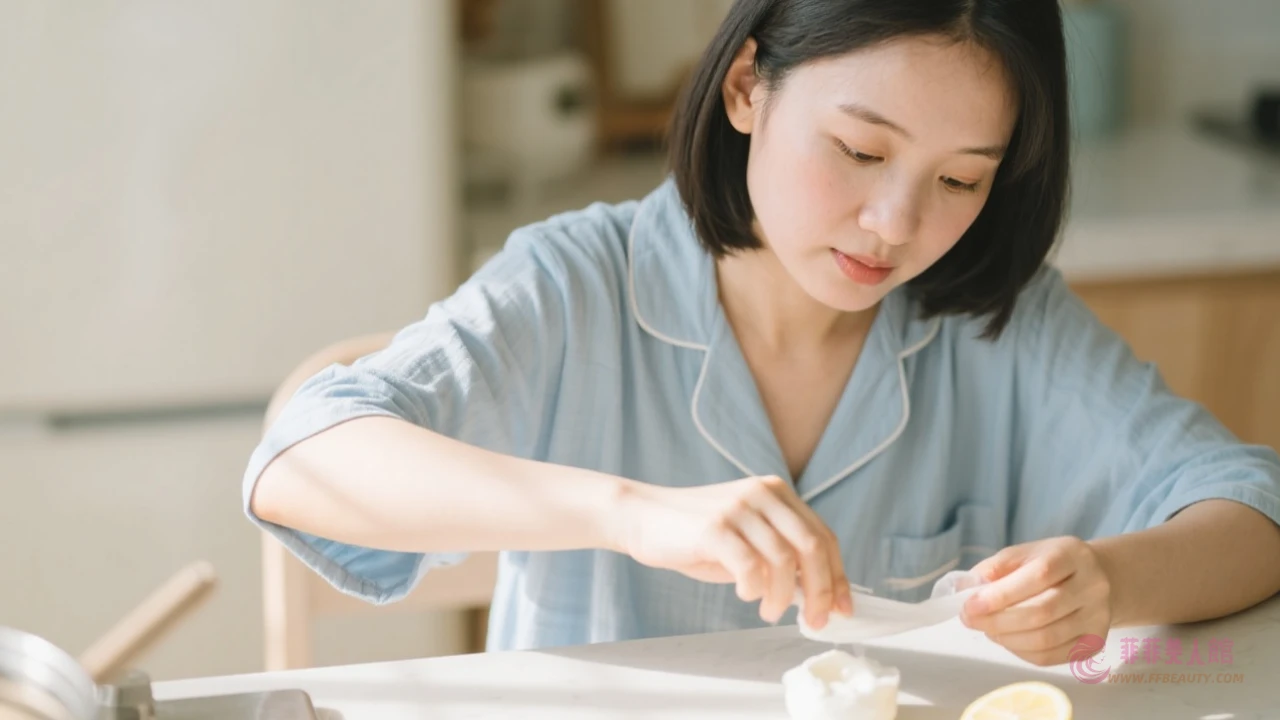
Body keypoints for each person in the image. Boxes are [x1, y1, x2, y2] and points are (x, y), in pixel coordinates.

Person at [244, 0, 1280, 666]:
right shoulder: (576, 285)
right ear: (746, 88)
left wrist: (1104, 582)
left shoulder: (996, 320)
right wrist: (628, 514)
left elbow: (1252, 509)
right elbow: (301, 460)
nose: (895, 226)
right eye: (858, 150)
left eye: (959, 179)